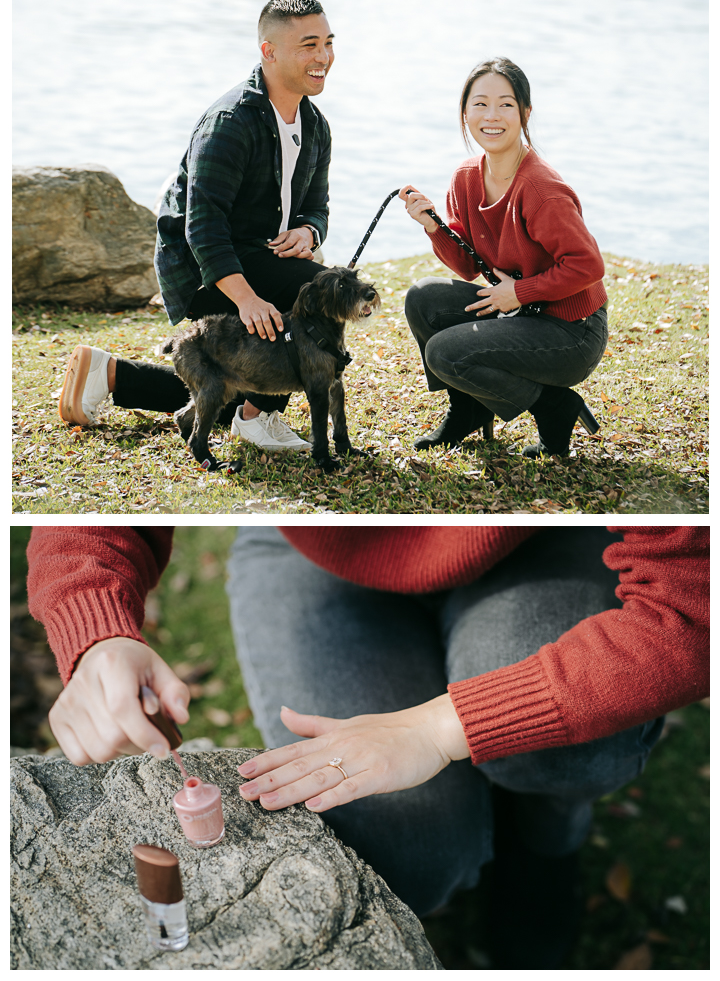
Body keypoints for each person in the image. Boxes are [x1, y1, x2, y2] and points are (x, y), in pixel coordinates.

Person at [27, 525, 709, 968]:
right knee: (404, 845)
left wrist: (438, 728)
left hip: (538, 537)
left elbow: (687, 608)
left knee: (559, 752)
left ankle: (546, 842)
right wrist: (94, 621)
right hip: (318, 551)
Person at [58, 0, 335, 453]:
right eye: (309, 45)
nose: (323, 56)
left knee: (226, 389)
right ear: (269, 51)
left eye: (327, 42)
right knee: (316, 292)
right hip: (202, 265)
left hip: (255, 253)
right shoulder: (229, 122)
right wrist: (247, 301)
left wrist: (308, 230)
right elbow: (202, 226)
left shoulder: (315, 125)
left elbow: (317, 205)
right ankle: (257, 418)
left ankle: (108, 374)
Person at [400, 57, 608, 457]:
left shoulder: (542, 189)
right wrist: (433, 227)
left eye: (506, 104)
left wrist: (521, 292)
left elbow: (588, 266)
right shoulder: (466, 177)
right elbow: (466, 264)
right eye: (479, 104)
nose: (491, 116)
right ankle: (467, 410)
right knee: (423, 298)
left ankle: (554, 406)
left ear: (525, 113)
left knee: (444, 352)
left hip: (571, 331)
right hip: (520, 312)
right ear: (464, 113)